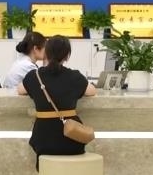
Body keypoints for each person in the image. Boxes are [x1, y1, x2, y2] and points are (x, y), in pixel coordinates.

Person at [19, 35, 97, 171]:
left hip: (43, 140)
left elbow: (20, 90)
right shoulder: (75, 77)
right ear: (67, 56)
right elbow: (92, 91)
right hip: (72, 139)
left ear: (46, 53)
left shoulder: (34, 76)